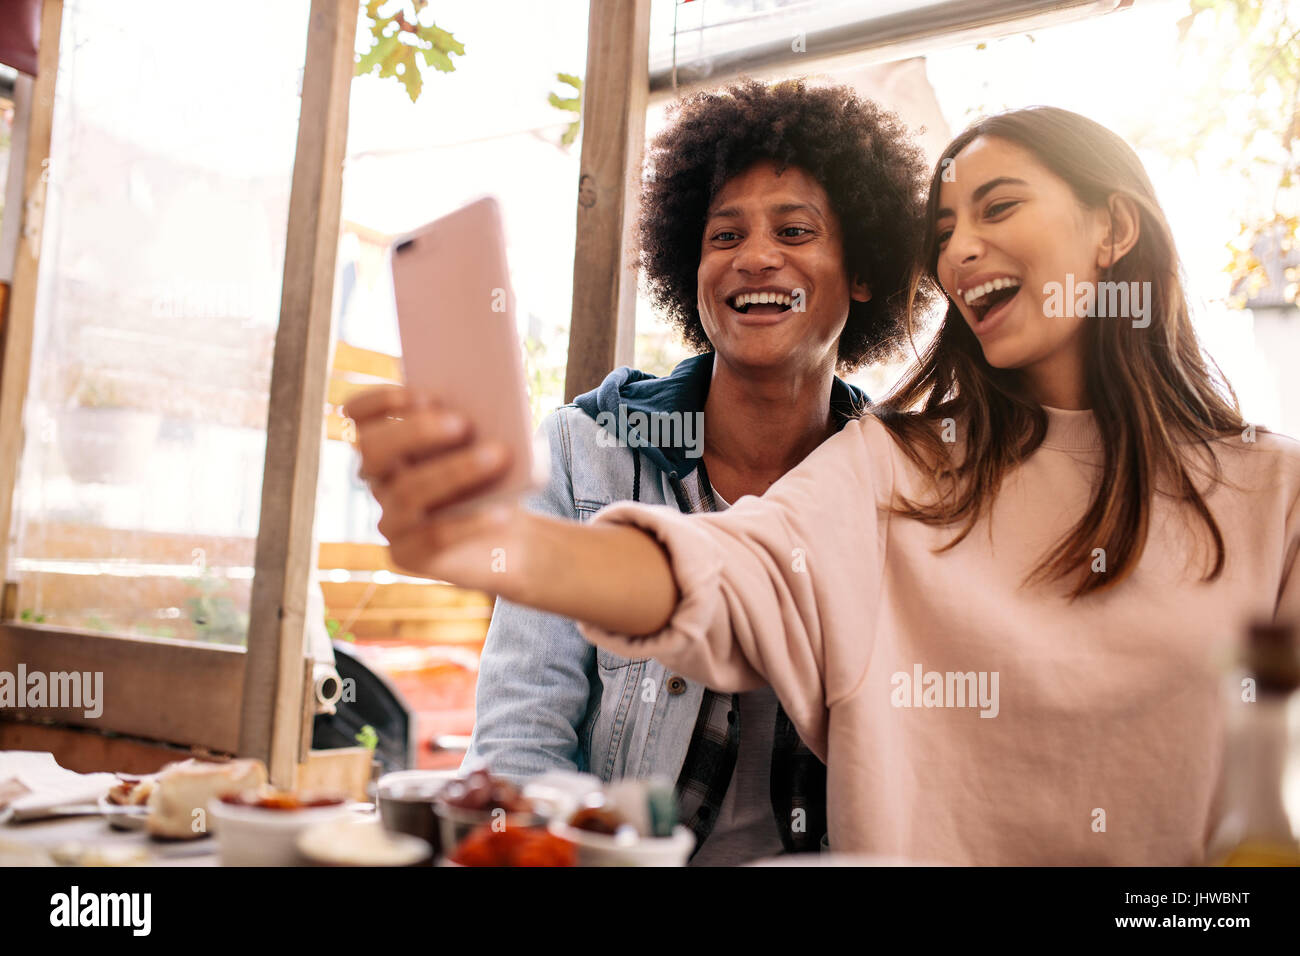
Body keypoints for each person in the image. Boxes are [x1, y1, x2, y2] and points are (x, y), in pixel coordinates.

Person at [345, 106, 1300, 865]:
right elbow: (727, 575)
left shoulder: (1276, 494)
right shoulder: (900, 468)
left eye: (999, 208)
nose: (961, 250)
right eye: (945, 230)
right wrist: (505, 545)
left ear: (1114, 228)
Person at [462, 78, 931, 865]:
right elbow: (521, 735)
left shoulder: (906, 487)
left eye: (795, 230)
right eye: (724, 236)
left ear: (863, 270)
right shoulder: (584, 453)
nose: (754, 258)